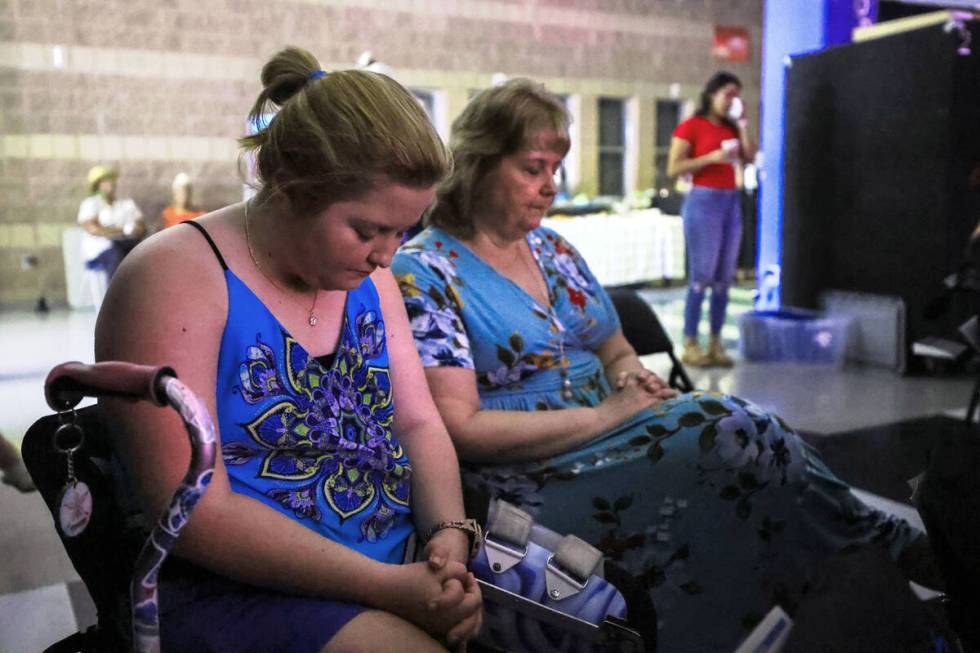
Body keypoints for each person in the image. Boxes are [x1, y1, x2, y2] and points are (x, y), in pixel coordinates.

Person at [391, 79, 933, 653]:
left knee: (748, 449)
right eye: (533, 168)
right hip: (531, 469)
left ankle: (816, 597)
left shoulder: (552, 248)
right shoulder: (425, 271)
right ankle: (887, 554)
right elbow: (461, 428)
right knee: (739, 432)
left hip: (609, 433)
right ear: (477, 165)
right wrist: (610, 414)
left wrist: (628, 375)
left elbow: (614, 346)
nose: (550, 185)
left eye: (556, 168)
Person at [95, 47, 481, 653]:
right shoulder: (174, 277)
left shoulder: (371, 279)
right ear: (291, 187)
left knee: (590, 615)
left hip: (396, 558)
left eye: (403, 230)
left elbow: (416, 420)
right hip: (239, 582)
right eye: (367, 229)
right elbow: (195, 512)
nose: (389, 255)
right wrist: (391, 587)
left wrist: (449, 536)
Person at [667, 71, 757, 367]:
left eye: (737, 95)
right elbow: (674, 167)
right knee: (702, 275)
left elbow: (750, 157)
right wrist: (711, 158)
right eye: (728, 94)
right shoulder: (691, 126)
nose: (732, 100)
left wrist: (742, 126)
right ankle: (690, 341)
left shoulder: (732, 129)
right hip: (703, 200)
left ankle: (716, 342)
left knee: (723, 278)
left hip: (730, 201)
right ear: (712, 94)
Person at [77, 165, 145, 309]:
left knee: (145, 253)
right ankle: (116, 304)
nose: (110, 184)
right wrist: (120, 230)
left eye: (111, 180)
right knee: (116, 254)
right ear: (97, 185)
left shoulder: (126, 205)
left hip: (128, 244)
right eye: (105, 181)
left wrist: (132, 231)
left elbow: (141, 227)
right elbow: (93, 228)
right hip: (102, 250)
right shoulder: (91, 204)